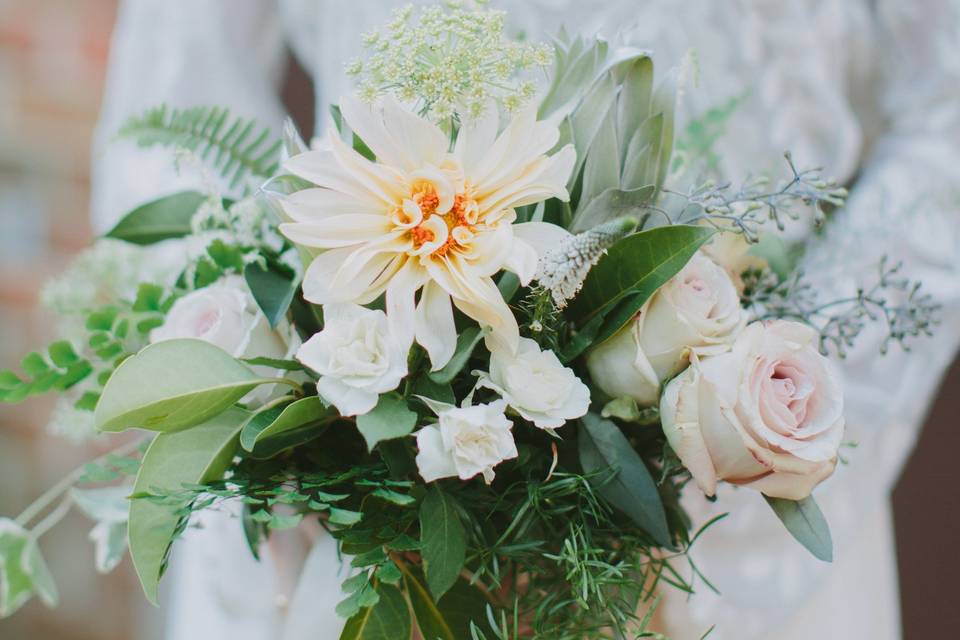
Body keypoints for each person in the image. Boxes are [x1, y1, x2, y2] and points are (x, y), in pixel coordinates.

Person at [91, 1, 960, 638]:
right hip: (352, 505)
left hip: (732, 520)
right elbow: (169, 93)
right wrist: (273, 402)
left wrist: (761, 420)